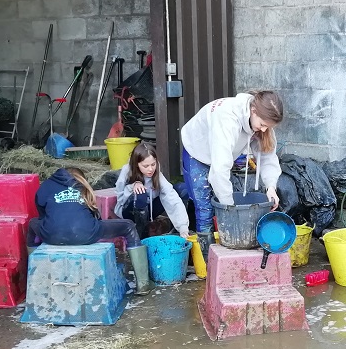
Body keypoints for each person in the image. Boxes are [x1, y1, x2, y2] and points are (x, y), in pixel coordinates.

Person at [179, 90, 284, 258]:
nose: (264, 130)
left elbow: (268, 157)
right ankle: (208, 263)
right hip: (197, 151)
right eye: (263, 124)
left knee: (219, 196)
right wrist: (230, 210)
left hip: (222, 152)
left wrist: (271, 187)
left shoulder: (261, 119)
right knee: (205, 207)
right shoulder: (227, 119)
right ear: (253, 111)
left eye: (268, 127)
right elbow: (219, 171)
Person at [29, 167, 151, 292]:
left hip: (51, 236)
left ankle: (35, 273)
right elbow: (95, 215)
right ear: (81, 177)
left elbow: (43, 216)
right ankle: (143, 285)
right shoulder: (81, 185)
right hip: (87, 233)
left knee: (32, 224)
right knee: (128, 226)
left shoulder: (45, 186)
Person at [114, 141, 191, 240]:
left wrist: (183, 226)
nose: (150, 169)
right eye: (146, 166)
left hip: (149, 210)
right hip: (130, 212)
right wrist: (132, 186)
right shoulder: (127, 170)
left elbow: (171, 195)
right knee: (141, 193)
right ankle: (141, 237)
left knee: (182, 188)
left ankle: (181, 230)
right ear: (137, 164)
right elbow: (120, 198)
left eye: (153, 164)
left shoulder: (156, 172)